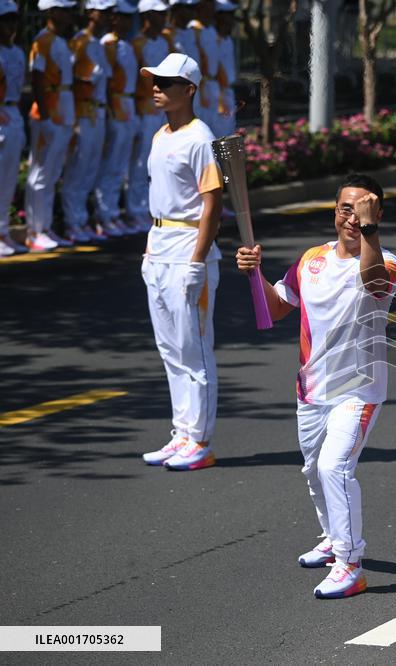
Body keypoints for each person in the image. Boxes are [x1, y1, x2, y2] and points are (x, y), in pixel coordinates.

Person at [235, 174, 396, 599]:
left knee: (334, 467)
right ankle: (332, 537)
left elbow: (373, 284)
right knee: (313, 470)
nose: (353, 216)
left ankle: (350, 563)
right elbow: (275, 309)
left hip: (358, 390)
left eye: (363, 209)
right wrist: (254, 275)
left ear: (377, 215)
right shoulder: (311, 259)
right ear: (334, 213)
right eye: (346, 208)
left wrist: (369, 232)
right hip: (311, 389)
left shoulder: (387, 262)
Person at [138, 53, 222, 471]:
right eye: (155, 81)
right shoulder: (160, 135)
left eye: (167, 83)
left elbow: (212, 204)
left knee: (195, 351)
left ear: (189, 90)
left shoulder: (200, 137)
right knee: (171, 349)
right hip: (159, 246)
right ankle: (183, 433)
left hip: (189, 249)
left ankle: (201, 442)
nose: (157, 88)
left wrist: (197, 261)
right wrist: (149, 251)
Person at [60, 0, 113, 244]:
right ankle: (73, 222)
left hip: (98, 113)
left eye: (110, 12)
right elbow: (71, 81)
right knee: (78, 169)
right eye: (103, 12)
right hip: (82, 113)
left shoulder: (98, 44)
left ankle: (82, 219)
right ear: (91, 13)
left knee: (91, 168)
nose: (108, 17)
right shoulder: (79, 42)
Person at [25, 0, 76, 252]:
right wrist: (44, 117)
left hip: (63, 113)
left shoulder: (60, 42)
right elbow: (36, 79)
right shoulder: (41, 41)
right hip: (48, 114)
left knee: (53, 173)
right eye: (65, 10)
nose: (69, 15)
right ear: (53, 12)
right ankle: (34, 230)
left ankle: (44, 227)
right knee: (40, 174)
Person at [94, 0, 142, 236]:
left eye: (128, 17)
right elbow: (107, 81)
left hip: (129, 105)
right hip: (116, 107)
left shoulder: (126, 45)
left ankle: (114, 212)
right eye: (120, 17)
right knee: (111, 163)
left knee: (121, 164)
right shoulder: (108, 44)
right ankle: (105, 215)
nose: (125, 21)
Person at [127, 0, 171, 230]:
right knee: (140, 162)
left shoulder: (164, 41)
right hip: (142, 108)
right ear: (147, 15)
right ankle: (134, 210)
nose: (164, 18)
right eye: (158, 14)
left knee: (159, 162)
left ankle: (150, 209)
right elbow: (131, 80)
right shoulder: (136, 44)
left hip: (162, 110)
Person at [0, 0, 27, 256]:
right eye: (5, 20)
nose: (10, 25)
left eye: (12, 20)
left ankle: (3, 231)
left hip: (12, 112)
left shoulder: (17, 52)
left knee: (8, 179)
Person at [187, 0, 217, 135]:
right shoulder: (193, 28)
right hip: (199, 83)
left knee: (213, 128)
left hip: (212, 84)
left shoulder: (210, 29)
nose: (212, 7)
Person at [213, 0, 235, 138]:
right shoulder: (213, 39)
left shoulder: (228, 40)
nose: (231, 18)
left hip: (228, 93)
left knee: (228, 135)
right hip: (217, 94)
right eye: (227, 14)